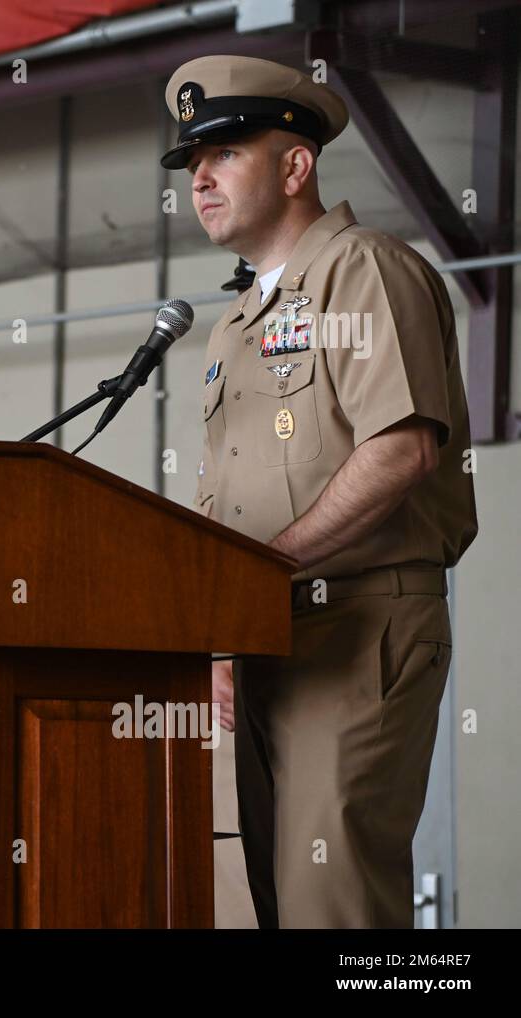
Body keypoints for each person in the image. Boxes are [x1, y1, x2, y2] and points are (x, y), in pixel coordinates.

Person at [166, 56, 478, 928]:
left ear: (296, 166)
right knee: (247, 905)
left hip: (357, 627)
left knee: (330, 907)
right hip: (261, 639)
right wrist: (219, 632)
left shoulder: (364, 270)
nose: (199, 176)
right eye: (192, 162)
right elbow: (223, 498)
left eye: (225, 152)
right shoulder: (230, 326)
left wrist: (255, 573)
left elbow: (402, 448)